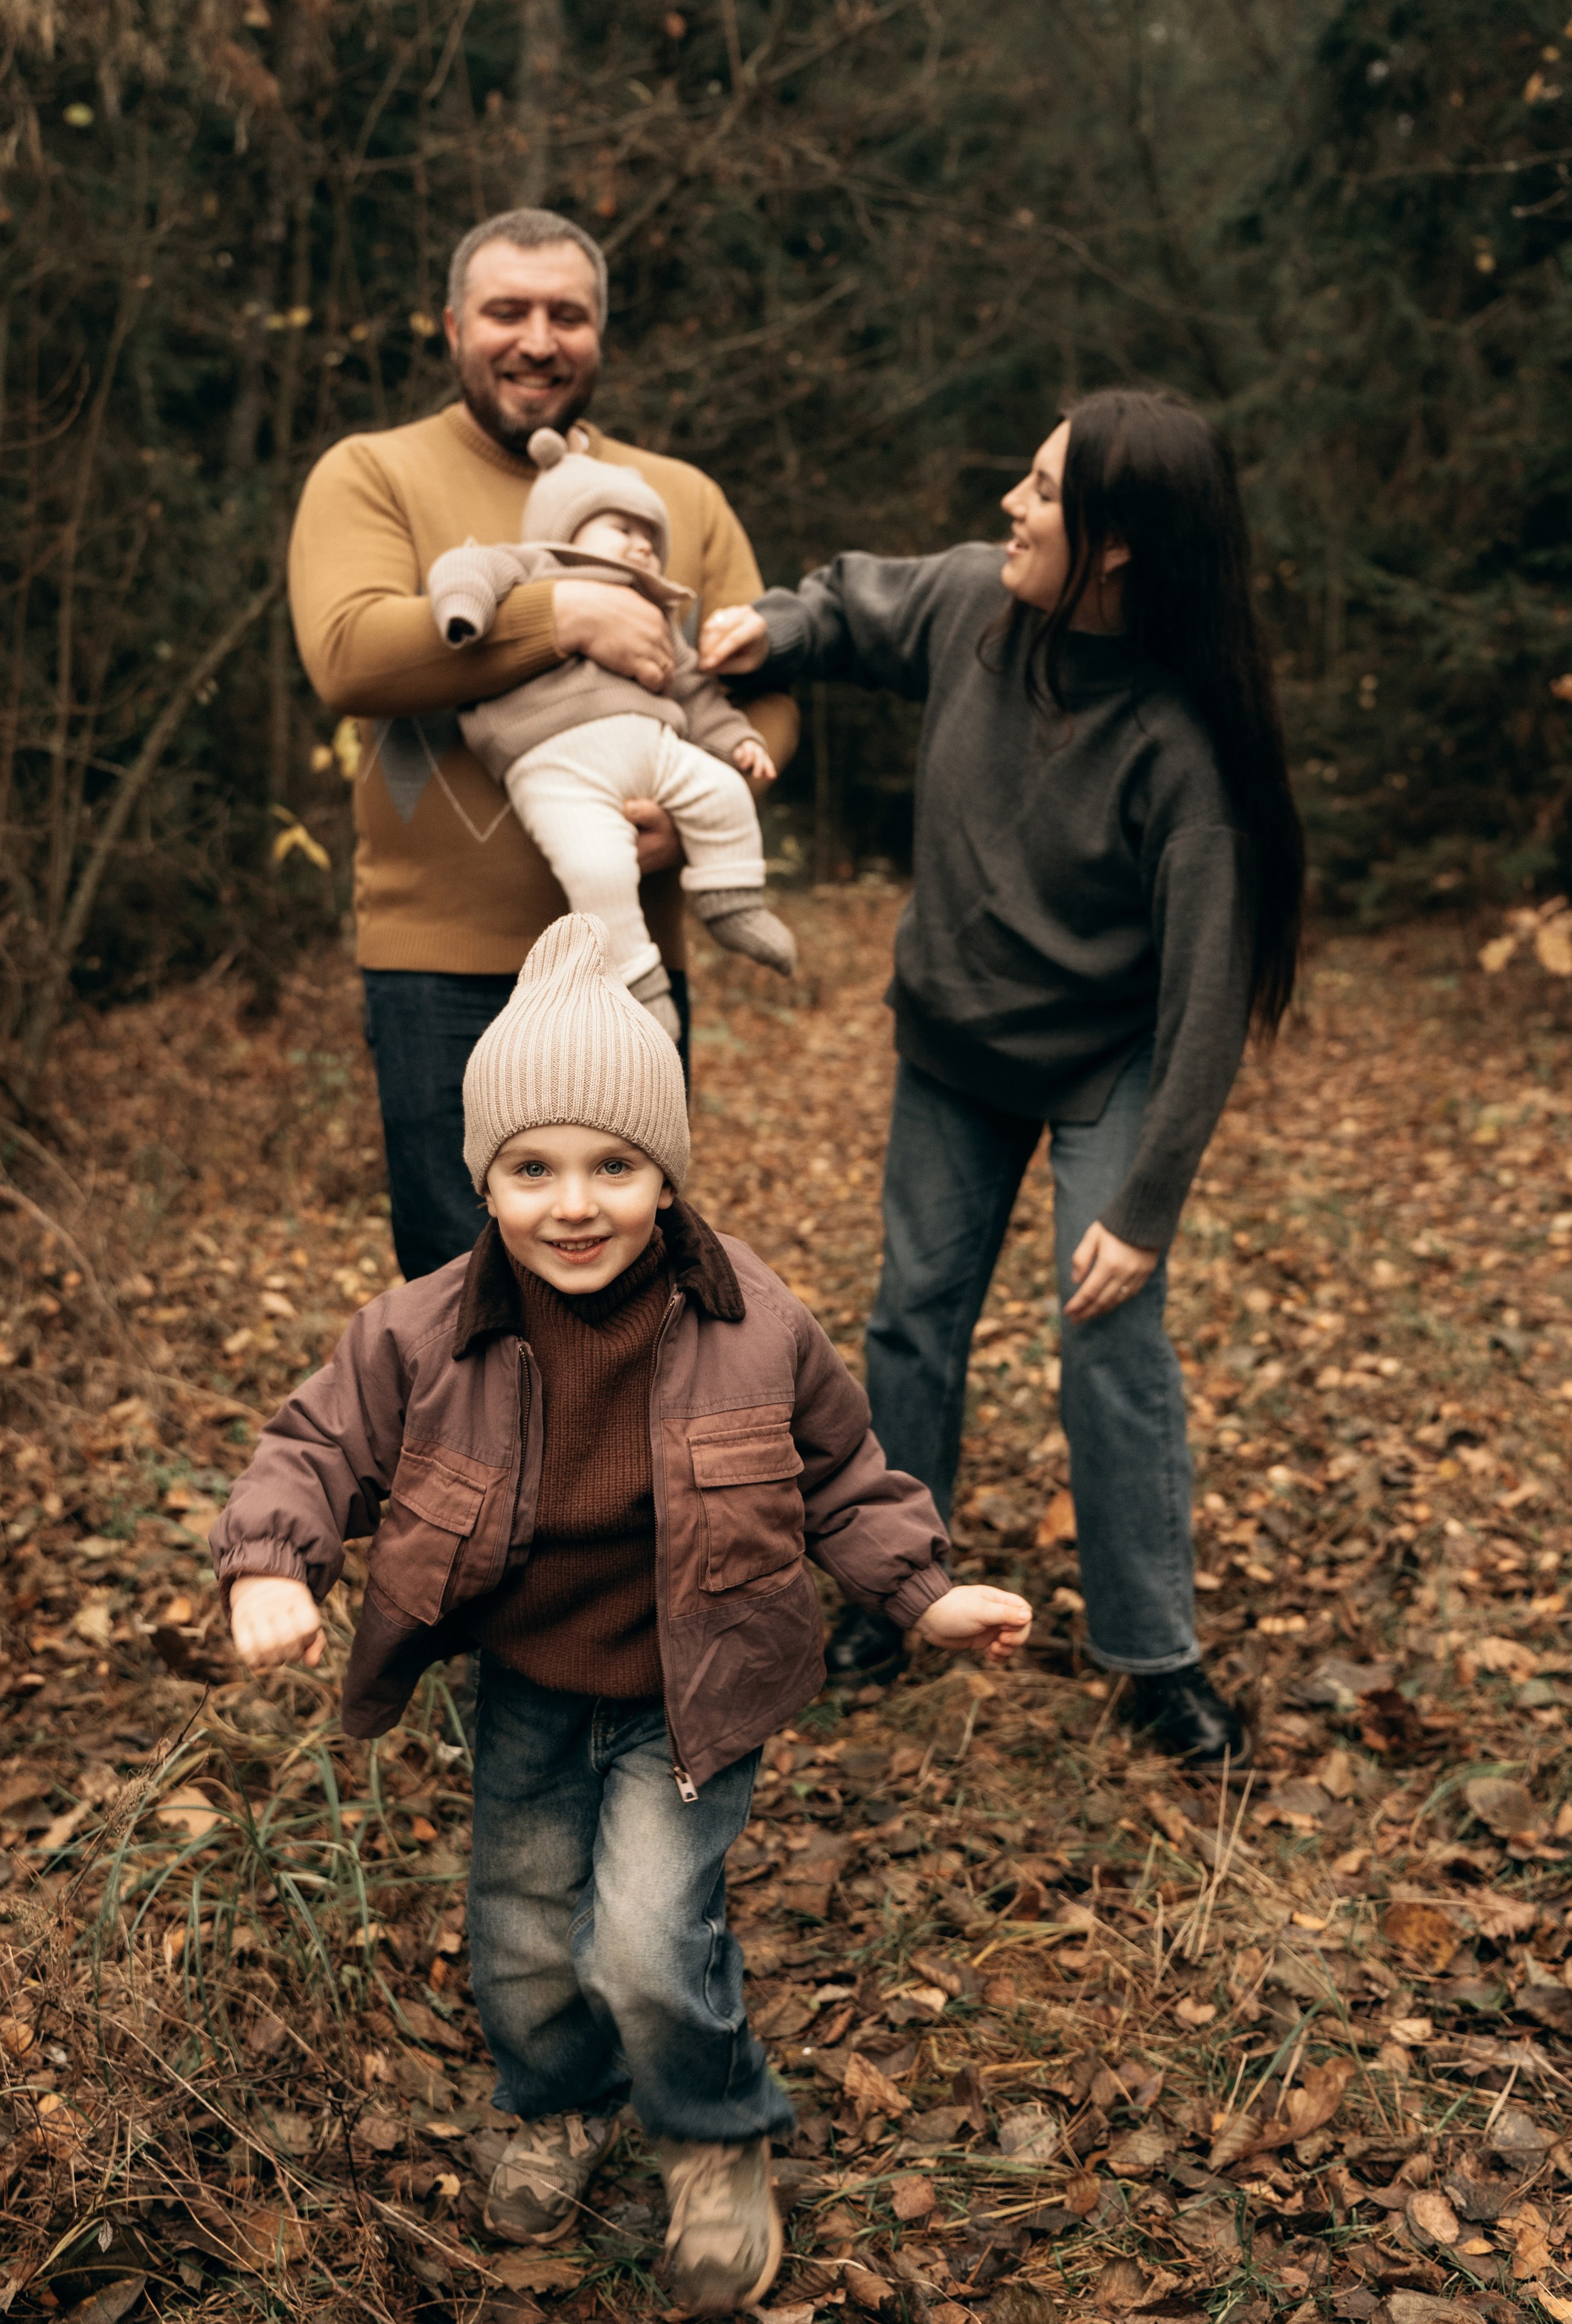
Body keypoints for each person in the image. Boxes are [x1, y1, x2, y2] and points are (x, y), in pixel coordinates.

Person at [210, 914, 1032, 2311]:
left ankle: (713, 2137)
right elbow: (312, 1448)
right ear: (485, 1180)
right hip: (528, 1681)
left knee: (646, 1937)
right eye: (531, 1169)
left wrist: (924, 1590)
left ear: (666, 1176)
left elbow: (841, 1473)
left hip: (690, 1686)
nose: (572, 1203)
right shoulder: (416, 1334)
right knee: (525, 1931)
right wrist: (273, 1563)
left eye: (614, 1165)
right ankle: (557, 2098)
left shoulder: (752, 1325)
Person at [700, 388, 1306, 1765]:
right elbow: (854, 604)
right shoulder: (976, 606)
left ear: (1114, 546)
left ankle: (1152, 1656)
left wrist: (1145, 1209)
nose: (1008, 509)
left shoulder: (1179, 744)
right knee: (913, 1315)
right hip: (954, 1051)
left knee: (1106, 1332)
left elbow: (1207, 1000)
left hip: (1106, 1062)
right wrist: (776, 626)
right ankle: (886, 1592)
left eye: (1039, 491)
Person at [287, 208, 798, 1284]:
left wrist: (693, 818)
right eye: (506, 311)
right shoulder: (373, 473)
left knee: (631, 1282)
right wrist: (561, 615)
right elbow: (348, 653)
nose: (537, 339)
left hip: (631, 969)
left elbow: (762, 689)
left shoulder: (682, 500)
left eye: (566, 315)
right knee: (454, 1289)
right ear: (451, 326)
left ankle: (615, 1465)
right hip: (441, 972)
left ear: (600, 334)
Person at [426, 425, 795, 1042]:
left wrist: (735, 741)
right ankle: (638, 987)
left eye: (651, 536)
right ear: (566, 528)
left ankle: (733, 901)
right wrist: (464, 606)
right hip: (554, 764)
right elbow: (467, 564)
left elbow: (695, 688)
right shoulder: (533, 568)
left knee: (725, 793)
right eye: (624, 530)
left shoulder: (655, 610)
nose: (644, 546)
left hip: (656, 748)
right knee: (596, 870)